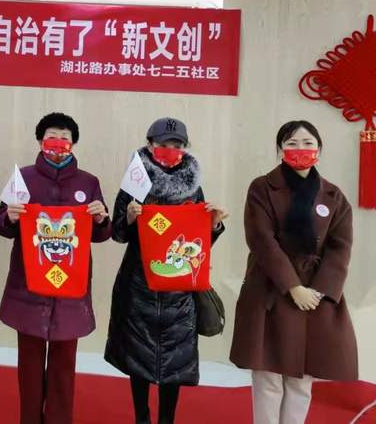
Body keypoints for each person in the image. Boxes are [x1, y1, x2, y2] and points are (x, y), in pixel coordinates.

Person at [230, 120, 358, 424]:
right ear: (280, 150)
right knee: (268, 378)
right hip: (270, 288)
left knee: (302, 380)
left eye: (307, 143)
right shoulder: (262, 187)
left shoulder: (333, 195)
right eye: (292, 143)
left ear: (319, 149)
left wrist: (320, 291)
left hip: (314, 295)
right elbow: (261, 240)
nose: (300, 149)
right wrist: (292, 286)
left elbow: (340, 247)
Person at [104, 118, 227, 424]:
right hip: (138, 285)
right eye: (163, 144)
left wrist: (214, 224)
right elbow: (117, 233)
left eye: (177, 145)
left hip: (179, 289)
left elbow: (198, 245)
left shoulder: (193, 187)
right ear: (150, 145)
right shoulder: (134, 182)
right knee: (138, 360)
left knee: (175, 364)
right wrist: (129, 218)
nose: (170, 150)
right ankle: (142, 418)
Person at [0, 112, 111, 424]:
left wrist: (101, 219)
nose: (58, 142)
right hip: (28, 287)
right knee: (29, 368)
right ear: (40, 141)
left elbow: (101, 234)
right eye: (52, 137)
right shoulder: (23, 178)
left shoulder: (89, 183)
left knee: (63, 369)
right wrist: (10, 218)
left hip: (71, 291)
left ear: (73, 143)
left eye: (64, 138)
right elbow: (0, 224)